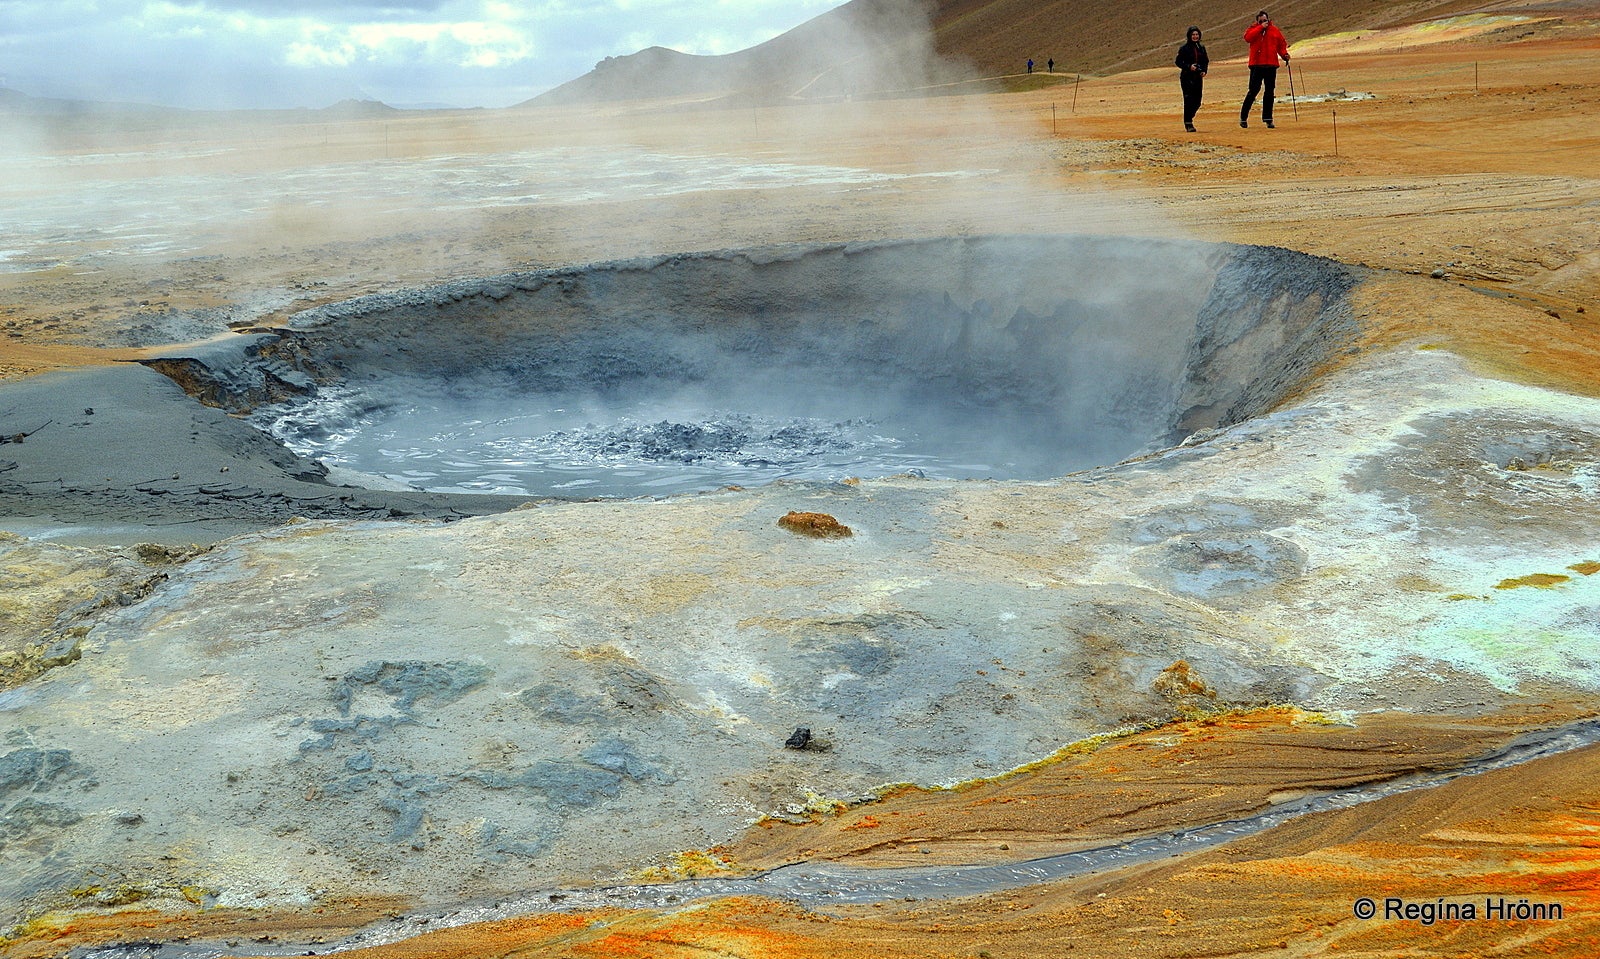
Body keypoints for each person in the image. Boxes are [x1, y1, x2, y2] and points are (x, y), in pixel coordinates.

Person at [1240, 9, 1289, 128]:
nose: (1264, 22)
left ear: (1268, 19)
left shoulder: (1274, 30)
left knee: (1269, 92)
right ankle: (1243, 117)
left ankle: (1268, 118)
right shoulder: (1253, 29)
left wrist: (1284, 55)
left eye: (1265, 20)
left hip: (1271, 65)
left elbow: (1281, 44)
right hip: (1257, 65)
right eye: (1261, 21)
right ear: (1257, 21)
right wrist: (1260, 28)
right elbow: (1248, 38)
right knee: (1253, 90)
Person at [1175, 26, 1208, 132]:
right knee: (1188, 99)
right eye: (1193, 35)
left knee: (1198, 100)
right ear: (1189, 36)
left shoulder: (1201, 47)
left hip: (1198, 77)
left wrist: (1204, 70)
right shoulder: (1184, 48)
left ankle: (1190, 116)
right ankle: (1188, 123)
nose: (1195, 36)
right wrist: (1189, 67)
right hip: (1187, 77)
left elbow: (1205, 61)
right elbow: (1178, 61)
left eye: (1197, 35)